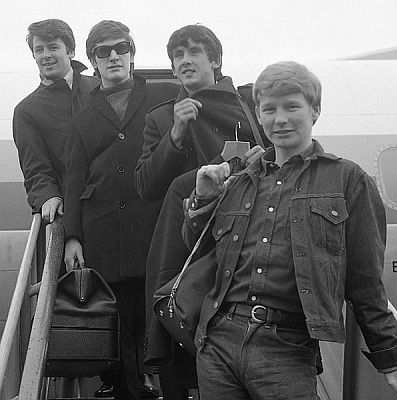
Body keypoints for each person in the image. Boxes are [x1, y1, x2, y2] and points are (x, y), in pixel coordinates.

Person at [182, 61, 397, 399]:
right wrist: (201, 201)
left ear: (315, 110)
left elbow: (366, 281)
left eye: (292, 106)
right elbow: (199, 251)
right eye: (269, 109)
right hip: (218, 344)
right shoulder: (238, 181)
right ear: (258, 114)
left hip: (286, 347)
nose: (279, 118)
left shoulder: (347, 180)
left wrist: (391, 359)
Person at [134, 24, 267, 400]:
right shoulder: (160, 118)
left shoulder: (248, 105)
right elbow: (145, 186)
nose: (185, 61)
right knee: (178, 333)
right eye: (178, 55)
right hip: (180, 248)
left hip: (240, 241)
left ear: (216, 60)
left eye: (194, 52)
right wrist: (175, 134)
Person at [62, 20, 179, 400]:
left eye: (121, 48)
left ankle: (166, 386)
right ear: (93, 62)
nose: (113, 56)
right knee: (118, 317)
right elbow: (73, 178)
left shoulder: (165, 95)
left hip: (154, 223)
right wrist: (73, 237)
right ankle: (131, 391)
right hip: (104, 227)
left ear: (132, 53)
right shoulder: (82, 116)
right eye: (103, 51)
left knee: (160, 309)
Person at [13, 19, 99, 222]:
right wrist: (48, 196)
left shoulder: (99, 89)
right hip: (72, 210)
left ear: (70, 51)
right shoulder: (26, 110)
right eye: (39, 49)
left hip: (113, 203)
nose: (46, 55)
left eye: (53, 47)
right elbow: (36, 168)